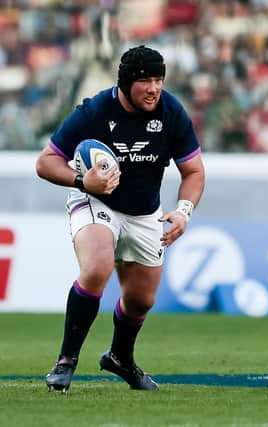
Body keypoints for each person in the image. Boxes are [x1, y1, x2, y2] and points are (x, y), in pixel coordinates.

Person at [35, 45, 205, 393]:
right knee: (97, 267)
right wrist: (83, 181)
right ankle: (65, 361)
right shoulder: (95, 111)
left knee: (141, 300)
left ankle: (119, 358)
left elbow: (194, 171)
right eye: (145, 81)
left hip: (145, 213)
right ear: (126, 83)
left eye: (159, 79)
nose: (154, 88)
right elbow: (46, 162)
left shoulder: (171, 111)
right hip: (95, 199)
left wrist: (184, 211)